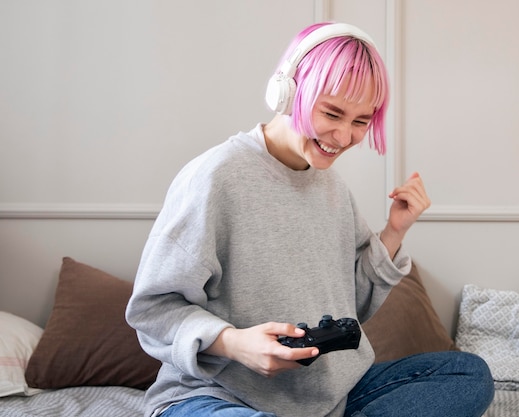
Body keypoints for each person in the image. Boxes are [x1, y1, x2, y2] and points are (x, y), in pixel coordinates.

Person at [126, 21, 494, 417]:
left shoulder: (331, 188)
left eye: (360, 121)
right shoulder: (215, 177)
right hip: (215, 397)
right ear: (287, 91)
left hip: (330, 399)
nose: (343, 136)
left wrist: (393, 231)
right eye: (332, 113)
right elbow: (153, 310)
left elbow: (350, 307)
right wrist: (234, 343)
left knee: (467, 374)